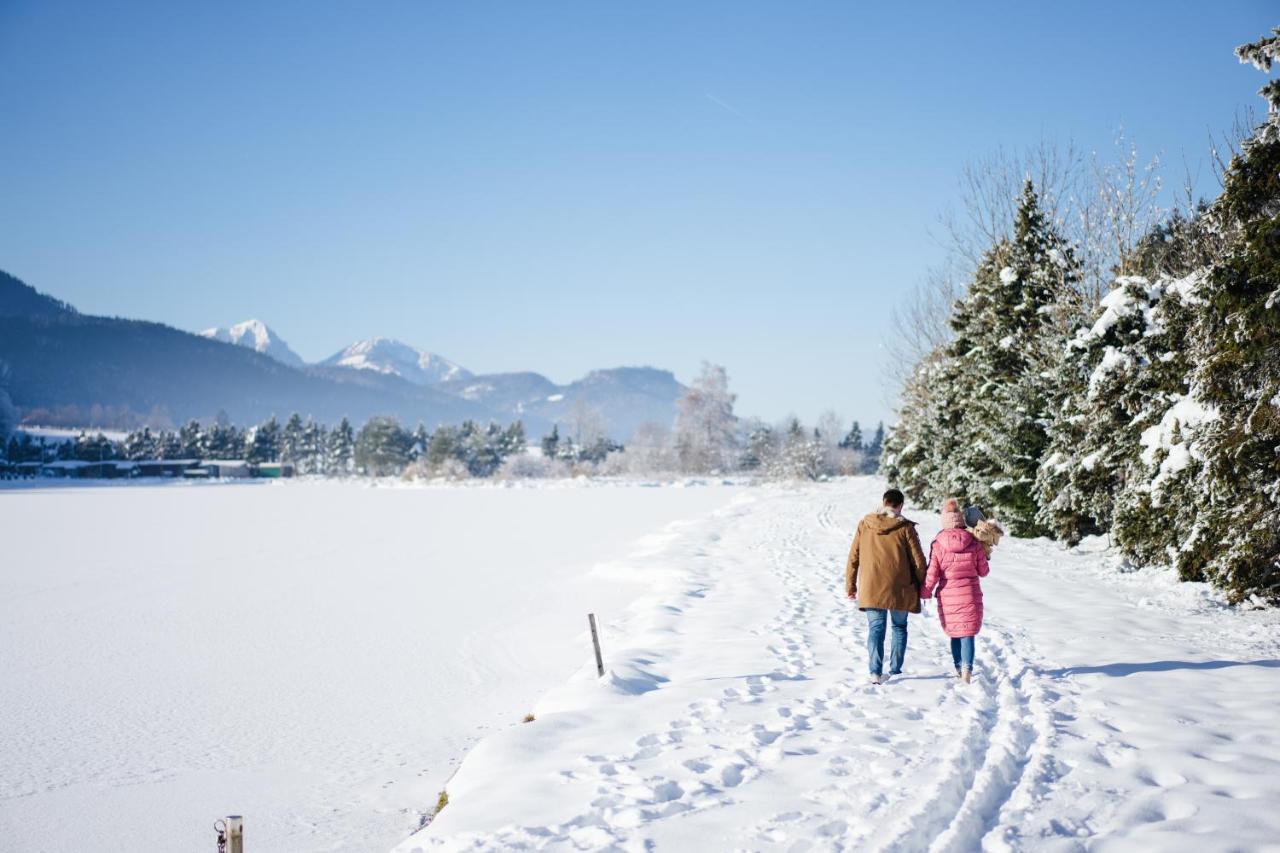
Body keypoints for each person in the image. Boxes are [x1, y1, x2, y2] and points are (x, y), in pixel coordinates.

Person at [845, 488, 928, 684]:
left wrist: (850, 585)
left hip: (871, 586)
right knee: (899, 627)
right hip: (900, 588)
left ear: (884, 503)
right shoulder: (905, 527)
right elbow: (918, 561)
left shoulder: (865, 524)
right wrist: (924, 584)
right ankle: (896, 670)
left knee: (876, 628)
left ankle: (875, 672)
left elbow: (853, 557)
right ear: (900, 505)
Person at [921, 498, 991, 684]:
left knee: (955, 632)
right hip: (970, 593)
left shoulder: (937, 545)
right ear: (961, 520)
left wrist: (926, 591)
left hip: (948, 595)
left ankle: (959, 667)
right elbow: (984, 572)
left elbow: (932, 573)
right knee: (968, 632)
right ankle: (968, 670)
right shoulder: (974, 543)